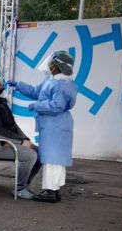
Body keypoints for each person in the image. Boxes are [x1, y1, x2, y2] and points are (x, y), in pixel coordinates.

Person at [7, 50, 77, 203]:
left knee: (53, 159)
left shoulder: (61, 84)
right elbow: (35, 92)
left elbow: (56, 105)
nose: (49, 65)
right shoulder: (52, 80)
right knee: (54, 158)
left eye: (51, 63)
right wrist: (18, 85)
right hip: (53, 125)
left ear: (57, 66)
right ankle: (54, 190)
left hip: (56, 125)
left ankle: (50, 191)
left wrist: (36, 106)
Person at [0, 73, 41, 199]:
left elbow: (13, 125)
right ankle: (20, 189)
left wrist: (25, 139)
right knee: (30, 155)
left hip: (8, 142)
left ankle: (25, 185)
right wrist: (20, 142)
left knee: (40, 153)